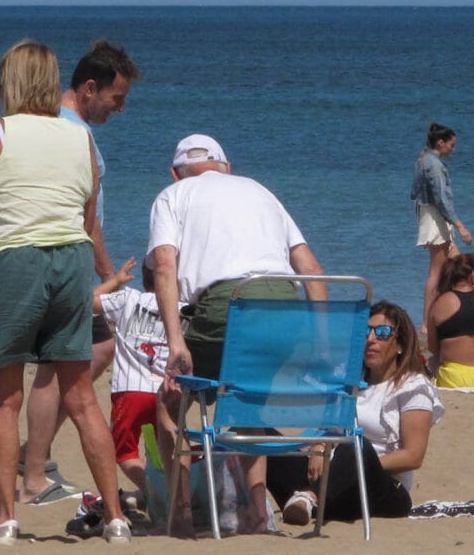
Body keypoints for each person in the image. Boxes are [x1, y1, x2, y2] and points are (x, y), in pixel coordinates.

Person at [0, 39, 130, 545]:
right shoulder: (83, 142)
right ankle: (115, 516)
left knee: (5, 396)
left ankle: (8, 518)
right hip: (71, 263)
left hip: (16, 261)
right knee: (81, 396)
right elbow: (89, 222)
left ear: (11, 84)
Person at [149, 133, 327, 535]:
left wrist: (177, 342)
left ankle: (178, 516)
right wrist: (319, 341)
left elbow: (163, 267)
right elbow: (312, 271)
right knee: (247, 401)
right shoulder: (260, 191)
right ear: (226, 167)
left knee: (169, 402)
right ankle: (257, 514)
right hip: (286, 313)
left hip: (226, 306)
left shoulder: (172, 196)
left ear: (176, 174)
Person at [21, 39, 141, 503]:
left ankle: (36, 453)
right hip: (70, 265)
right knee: (59, 369)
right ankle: (34, 469)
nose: (122, 109)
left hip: (61, 264)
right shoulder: (74, 134)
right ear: (90, 88)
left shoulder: (56, 124)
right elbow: (85, 218)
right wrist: (110, 279)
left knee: (91, 353)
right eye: (117, 98)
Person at [267, 301, 444, 525]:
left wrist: (355, 463)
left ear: (400, 344)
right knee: (258, 436)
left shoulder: (412, 386)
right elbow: (327, 428)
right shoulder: (347, 380)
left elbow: (413, 456)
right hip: (333, 480)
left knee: (355, 445)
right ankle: (252, 507)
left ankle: (309, 497)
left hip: (381, 489)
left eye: (382, 333)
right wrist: (319, 446)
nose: (370, 339)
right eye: (365, 332)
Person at [94, 257, 169, 504]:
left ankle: (158, 492)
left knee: (125, 452)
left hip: (130, 390)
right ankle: (161, 488)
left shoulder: (128, 299)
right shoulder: (181, 307)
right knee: (163, 448)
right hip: (166, 392)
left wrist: (114, 281)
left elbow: (87, 303)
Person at [410, 122, 473, 320]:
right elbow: (441, 199)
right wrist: (460, 226)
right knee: (436, 271)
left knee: (459, 264)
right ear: (440, 142)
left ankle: (458, 308)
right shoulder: (434, 165)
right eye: (451, 145)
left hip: (433, 215)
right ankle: (428, 321)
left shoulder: (423, 160)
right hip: (435, 217)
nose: (453, 149)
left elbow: (413, 193)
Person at [425, 253, 474, 388]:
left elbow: (433, 347)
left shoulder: (440, 303)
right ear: (473, 275)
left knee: (432, 361)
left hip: (455, 378)